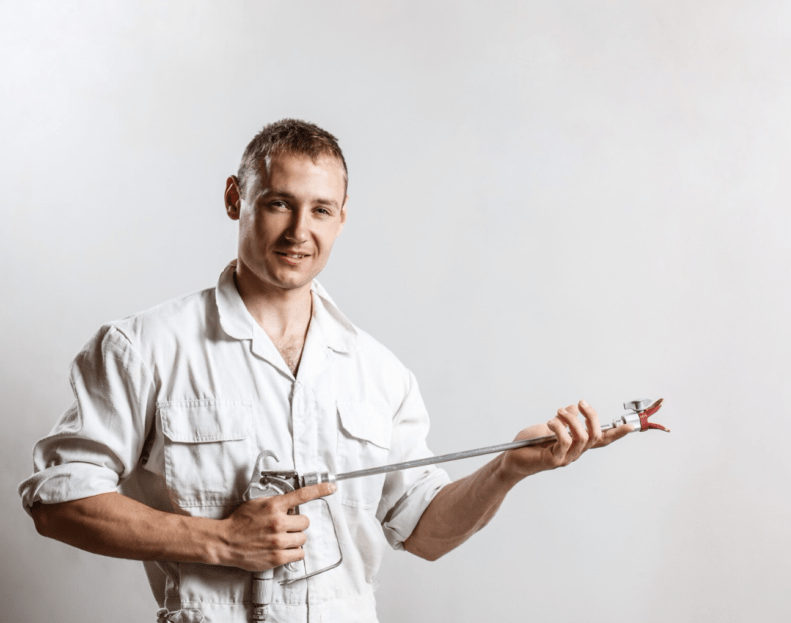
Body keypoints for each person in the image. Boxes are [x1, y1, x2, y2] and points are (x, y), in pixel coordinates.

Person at [19, 119, 631, 623]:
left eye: (321, 210)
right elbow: (58, 501)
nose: (299, 232)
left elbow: (424, 533)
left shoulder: (378, 372)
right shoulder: (144, 347)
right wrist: (217, 540)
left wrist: (506, 470)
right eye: (279, 203)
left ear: (342, 218)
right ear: (236, 197)